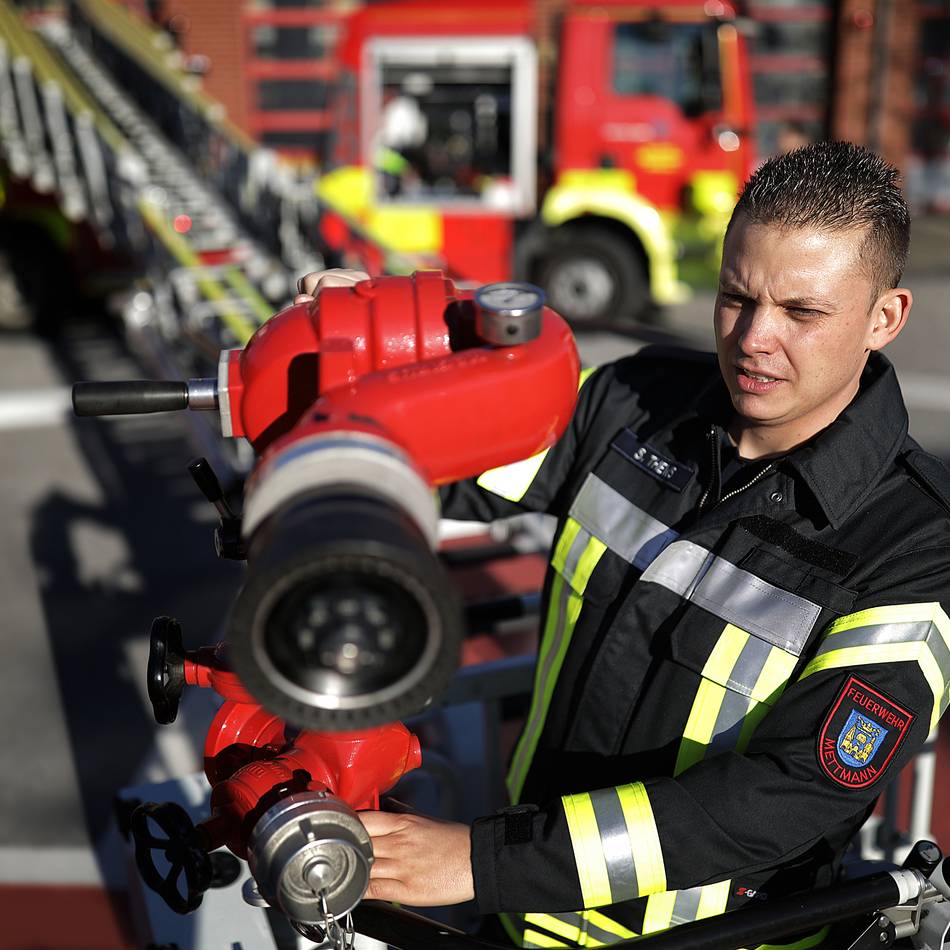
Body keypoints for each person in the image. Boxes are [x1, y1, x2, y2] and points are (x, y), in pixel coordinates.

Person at [294, 141, 950, 948]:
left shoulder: (918, 546)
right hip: (520, 915)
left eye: (802, 312)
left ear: (885, 318)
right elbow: (456, 460)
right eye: (736, 297)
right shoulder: (635, 401)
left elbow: (788, 795)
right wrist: (373, 354)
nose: (753, 339)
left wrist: (484, 862)